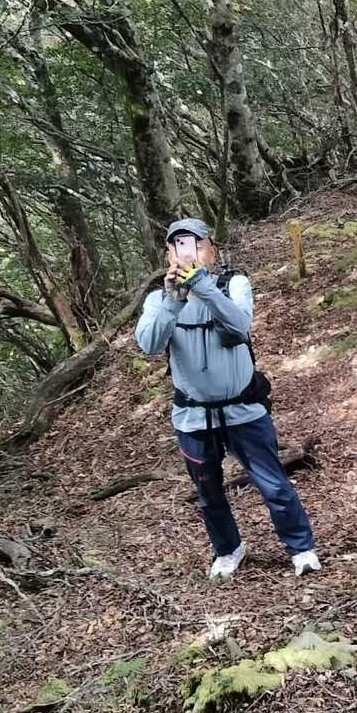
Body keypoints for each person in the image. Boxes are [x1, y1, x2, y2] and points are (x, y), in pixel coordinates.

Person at [135, 217, 321, 579]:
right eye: (179, 246)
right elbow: (149, 344)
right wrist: (174, 299)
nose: (188, 253)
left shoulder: (234, 284)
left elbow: (239, 326)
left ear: (213, 251)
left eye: (196, 245)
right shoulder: (159, 299)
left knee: (273, 484)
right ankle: (228, 549)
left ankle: (301, 548)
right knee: (208, 492)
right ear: (169, 255)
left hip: (244, 410)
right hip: (192, 417)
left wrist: (202, 286)